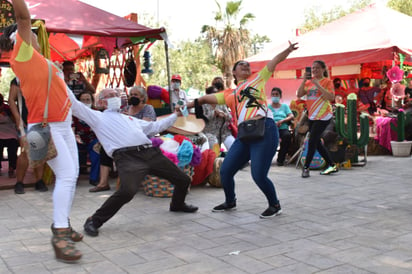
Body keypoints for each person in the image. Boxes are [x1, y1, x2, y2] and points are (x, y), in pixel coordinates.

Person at [0, 0, 82, 263]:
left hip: (62, 126)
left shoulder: (42, 62)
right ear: (20, 39)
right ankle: (60, 234)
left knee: (72, 174)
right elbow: (24, 18)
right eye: (32, 36)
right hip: (46, 127)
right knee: (67, 176)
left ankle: (64, 224)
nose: (36, 39)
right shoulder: (22, 55)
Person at [185, 41, 298, 218]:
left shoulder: (258, 78)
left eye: (247, 65)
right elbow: (205, 99)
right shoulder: (230, 94)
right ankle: (230, 201)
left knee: (258, 175)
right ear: (234, 73)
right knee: (225, 171)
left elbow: (275, 61)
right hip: (245, 134)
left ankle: (275, 205)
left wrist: (288, 50)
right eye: (241, 65)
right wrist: (187, 105)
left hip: (264, 130)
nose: (245, 65)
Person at [65, 88, 198, 237]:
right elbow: (74, 104)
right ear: (101, 102)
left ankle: (177, 205)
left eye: (116, 95)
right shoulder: (96, 117)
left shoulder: (129, 118)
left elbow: (154, 127)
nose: (116, 97)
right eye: (111, 95)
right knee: (127, 191)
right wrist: (59, 79)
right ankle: (94, 220)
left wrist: (176, 115)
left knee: (183, 179)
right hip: (127, 157)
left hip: (150, 153)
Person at [296, 60, 338, 178]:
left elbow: (330, 97)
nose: (314, 70)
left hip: (324, 116)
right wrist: (304, 80)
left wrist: (318, 85)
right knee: (317, 142)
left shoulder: (327, 82)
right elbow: (299, 94)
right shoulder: (308, 82)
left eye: (317, 68)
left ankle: (306, 167)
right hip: (312, 116)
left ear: (323, 69)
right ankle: (331, 164)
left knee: (312, 140)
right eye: (313, 68)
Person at [7, 78, 48, 194]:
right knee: (25, 152)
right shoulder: (18, 79)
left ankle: (39, 181)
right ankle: (19, 182)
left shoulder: (42, 77)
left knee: (39, 150)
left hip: (40, 120)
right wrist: (18, 118)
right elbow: (11, 100)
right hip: (25, 121)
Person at [72, 91, 100, 185]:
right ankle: (72, 178)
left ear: (92, 101)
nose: (85, 102)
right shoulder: (74, 113)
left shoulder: (96, 113)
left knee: (97, 151)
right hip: (78, 139)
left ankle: (94, 178)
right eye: (82, 100)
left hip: (92, 139)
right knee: (71, 151)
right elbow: (72, 128)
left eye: (87, 100)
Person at [201, 86, 235, 150]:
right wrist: (214, 113)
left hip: (224, 133)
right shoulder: (203, 105)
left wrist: (224, 115)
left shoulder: (221, 104)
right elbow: (203, 119)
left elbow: (230, 118)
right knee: (214, 146)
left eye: (217, 93)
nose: (216, 95)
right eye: (213, 93)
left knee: (233, 146)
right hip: (209, 133)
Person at [268, 87, 294, 166]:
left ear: (280, 96)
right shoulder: (268, 107)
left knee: (287, 136)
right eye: (273, 94)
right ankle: (267, 158)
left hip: (283, 127)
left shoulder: (285, 106)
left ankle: (281, 159)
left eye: (276, 94)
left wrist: (282, 121)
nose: (275, 96)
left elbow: (291, 116)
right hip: (271, 128)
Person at [0, 93, 19, 178]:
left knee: (12, 148)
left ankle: (12, 167)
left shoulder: (8, 108)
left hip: (10, 133)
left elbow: (15, 120)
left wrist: (7, 114)